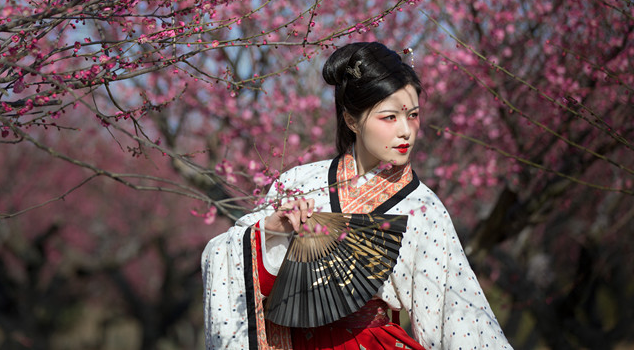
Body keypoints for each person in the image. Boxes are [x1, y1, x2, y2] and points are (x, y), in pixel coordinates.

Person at [201, 42, 512, 349]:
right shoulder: (298, 182)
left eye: (413, 115)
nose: (406, 131)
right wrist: (268, 231)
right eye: (390, 117)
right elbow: (230, 261)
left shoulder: (424, 207)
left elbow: (457, 316)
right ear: (352, 120)